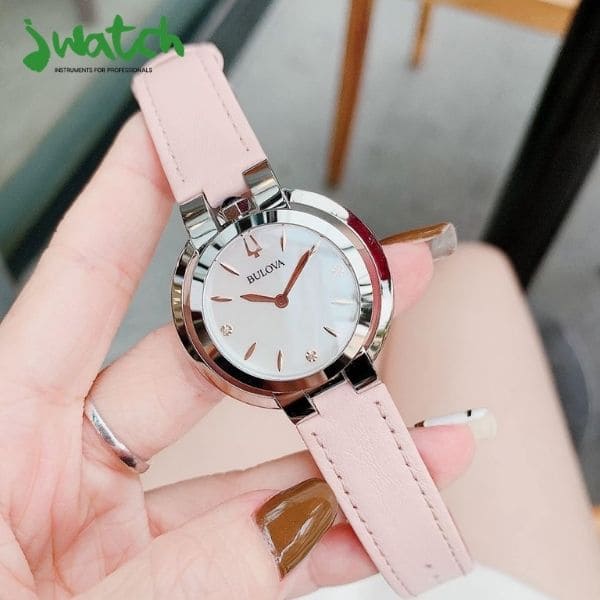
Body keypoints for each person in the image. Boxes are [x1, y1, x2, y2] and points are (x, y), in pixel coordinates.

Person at [0, 114, 597, 599]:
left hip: (321, 364)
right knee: (476, 274)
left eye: (282, 288)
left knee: (464, 279)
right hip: (305, 386)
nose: (280, 296)